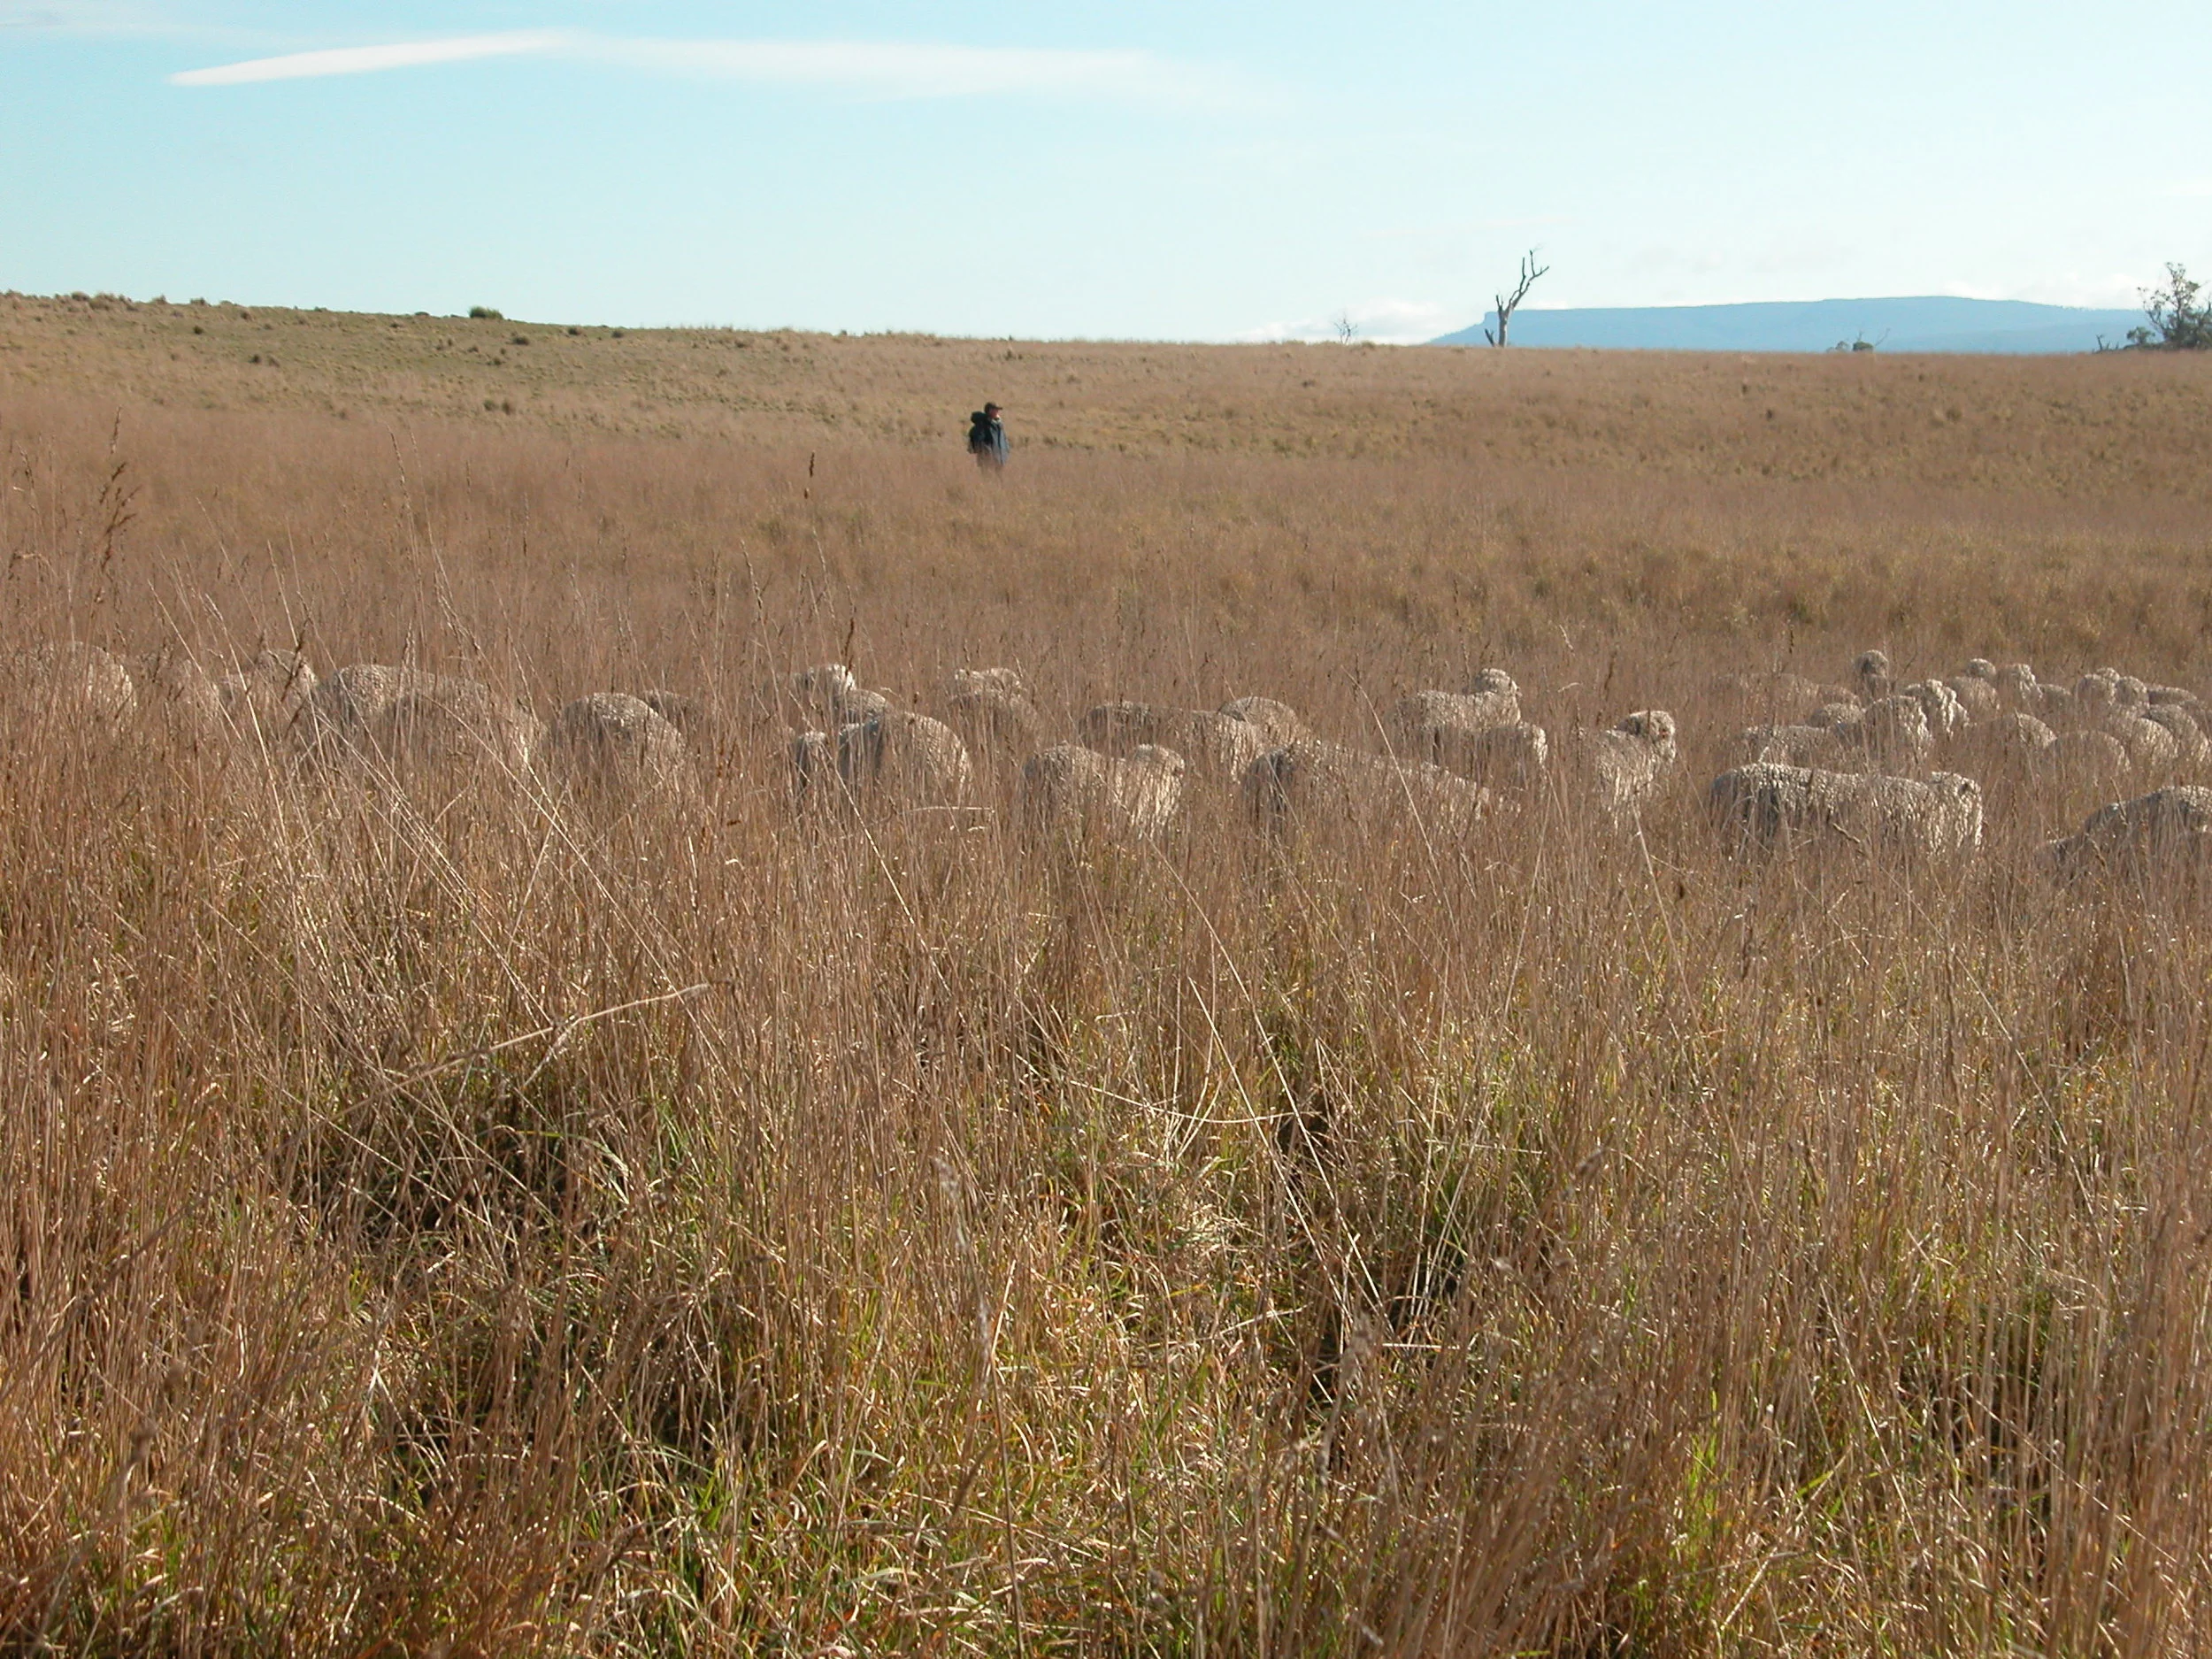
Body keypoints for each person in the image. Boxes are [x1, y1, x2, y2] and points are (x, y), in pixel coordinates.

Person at [966, 402, 1008, 470]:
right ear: (990, 411)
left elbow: (1002, 440)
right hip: (987, 460)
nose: (997, 412)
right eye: (995, 410)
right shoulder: (982, 424)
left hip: (999, 459)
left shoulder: (998, 424)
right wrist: (987, 453)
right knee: (988, 478)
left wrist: (1005, 451)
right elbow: (979, 441)